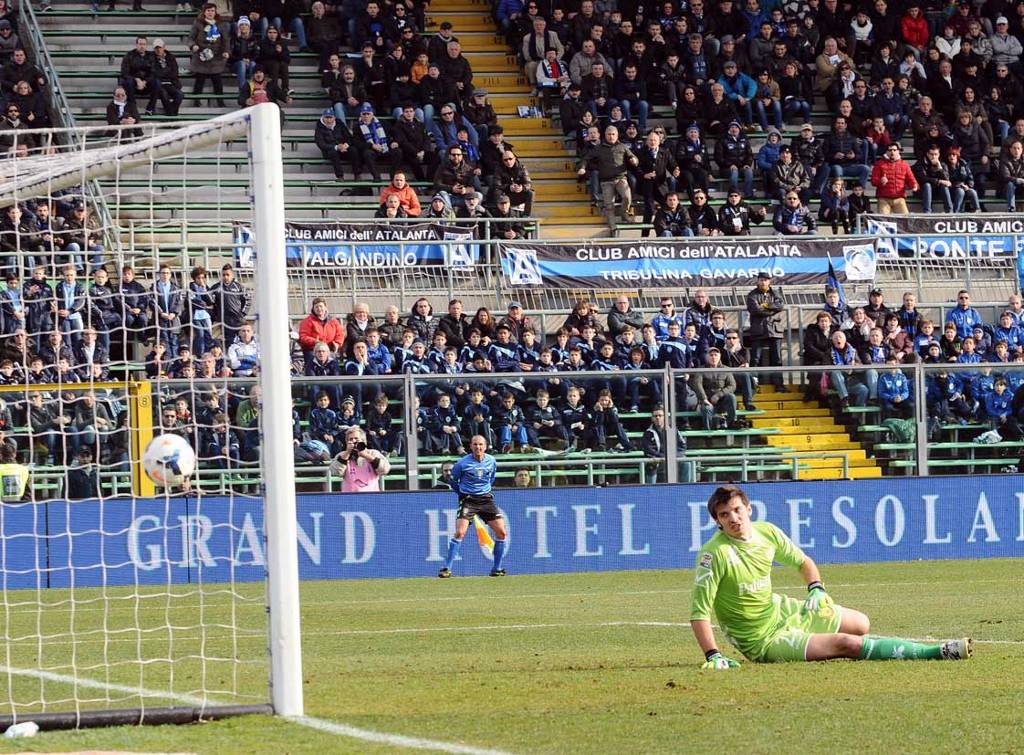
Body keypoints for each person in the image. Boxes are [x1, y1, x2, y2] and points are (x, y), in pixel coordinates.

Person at [691, 484, 973, 668]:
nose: (733, 518)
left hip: (783, 612)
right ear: (717, 521)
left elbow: (803, 562)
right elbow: (699, 612)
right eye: (724, 514)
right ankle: (936, 652)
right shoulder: (713, 554)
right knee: (846, 644)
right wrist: (713, 655)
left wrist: (816, 589)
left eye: (737, 510)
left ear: (749, 509)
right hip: (762, 639)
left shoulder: (766, 532)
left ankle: (813, 635)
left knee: (861, 624)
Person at [439, 435, 508, 578]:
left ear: (486, 446)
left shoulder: (491, 461)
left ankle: (497, 568)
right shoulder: (462, 464)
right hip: (468, 501)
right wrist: (462, 493)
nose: (478, 447)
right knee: (460, 533)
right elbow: (452, 480)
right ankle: (447, 568)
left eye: (481, 444)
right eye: (475, 444)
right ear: (470, 446)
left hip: (486, 500)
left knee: (501, 532)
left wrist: (486, 490)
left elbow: (492, 477)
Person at [745, 271, 784, 390]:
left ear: (769, 281)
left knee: (777, 359)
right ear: (758, 281)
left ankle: (779, 384)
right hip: (758, 329)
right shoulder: (752, 295)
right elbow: (755, 310)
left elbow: (780, 306)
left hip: (774, 330)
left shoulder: (776, 292)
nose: (763, 282)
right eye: (761, 280)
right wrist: (772, 310)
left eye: (766, 280)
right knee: (755, 359)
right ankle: (753, 384)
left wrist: (766, 305)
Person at [331, 426, 391, 493]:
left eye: (356, 439)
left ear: (364, 441)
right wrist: (347, 453)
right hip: (349, 497)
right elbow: (335, 472)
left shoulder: (373, 453)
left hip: (371, 496)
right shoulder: (342, 455)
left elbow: (385, 469)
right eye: (351, 439)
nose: (354, 441)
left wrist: (366, 456)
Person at [870, 143, 918, 214]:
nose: (892, 152)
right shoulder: (879, 164)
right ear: (886, 152)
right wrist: (880, 181)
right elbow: (873, 181)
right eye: (890, 150)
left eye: (894, 150)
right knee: (884, 222)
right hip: (884, 199)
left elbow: (911, 178)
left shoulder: (904, 164)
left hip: (899, 199)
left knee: (905, 221)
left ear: (898, 151)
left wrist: (914, 185)